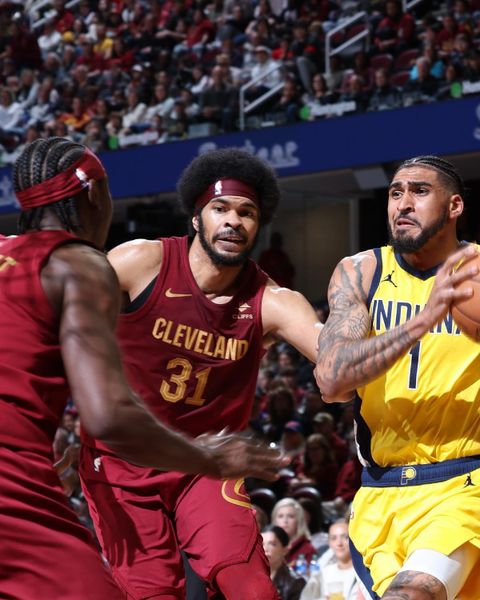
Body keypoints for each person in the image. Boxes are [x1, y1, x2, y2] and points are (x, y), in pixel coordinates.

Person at [0, 138, 287, 599]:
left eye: (246, 212)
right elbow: (109, 417)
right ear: (96, 196)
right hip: (47, 477)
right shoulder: (85, 263)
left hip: (69, 463)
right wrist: (209, 457)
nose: (233, 220)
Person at [315, 155, 480, 600]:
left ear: (454, 206)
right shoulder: (363, 271)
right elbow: (331, 383)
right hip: (379, 494)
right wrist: (421, 321)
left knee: (413, 595)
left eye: (419, 191)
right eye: (396, 193)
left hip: (461, 484)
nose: (403, 203)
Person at [78, 148, 324, 600]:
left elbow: (336, 369)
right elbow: (63, 328)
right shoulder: (140, 262)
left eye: (247, 212)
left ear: (258, 226)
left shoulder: (272, 300)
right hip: (122, 461)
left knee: (254, 591)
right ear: (196, 218)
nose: (234, 221)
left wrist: (367, 320)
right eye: (221, 208)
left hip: (205, 464)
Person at [301, 520, 363, 600]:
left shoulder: (362, 573)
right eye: (334, 538)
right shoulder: (324, 572)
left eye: (345, 537)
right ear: (329, 543)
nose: (339, 543)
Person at [263, 525, 306, 600]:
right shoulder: (248, 576)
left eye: (272, 544)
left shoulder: (296, 582)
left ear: (285, 550)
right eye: (261, 544)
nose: (265, 549)